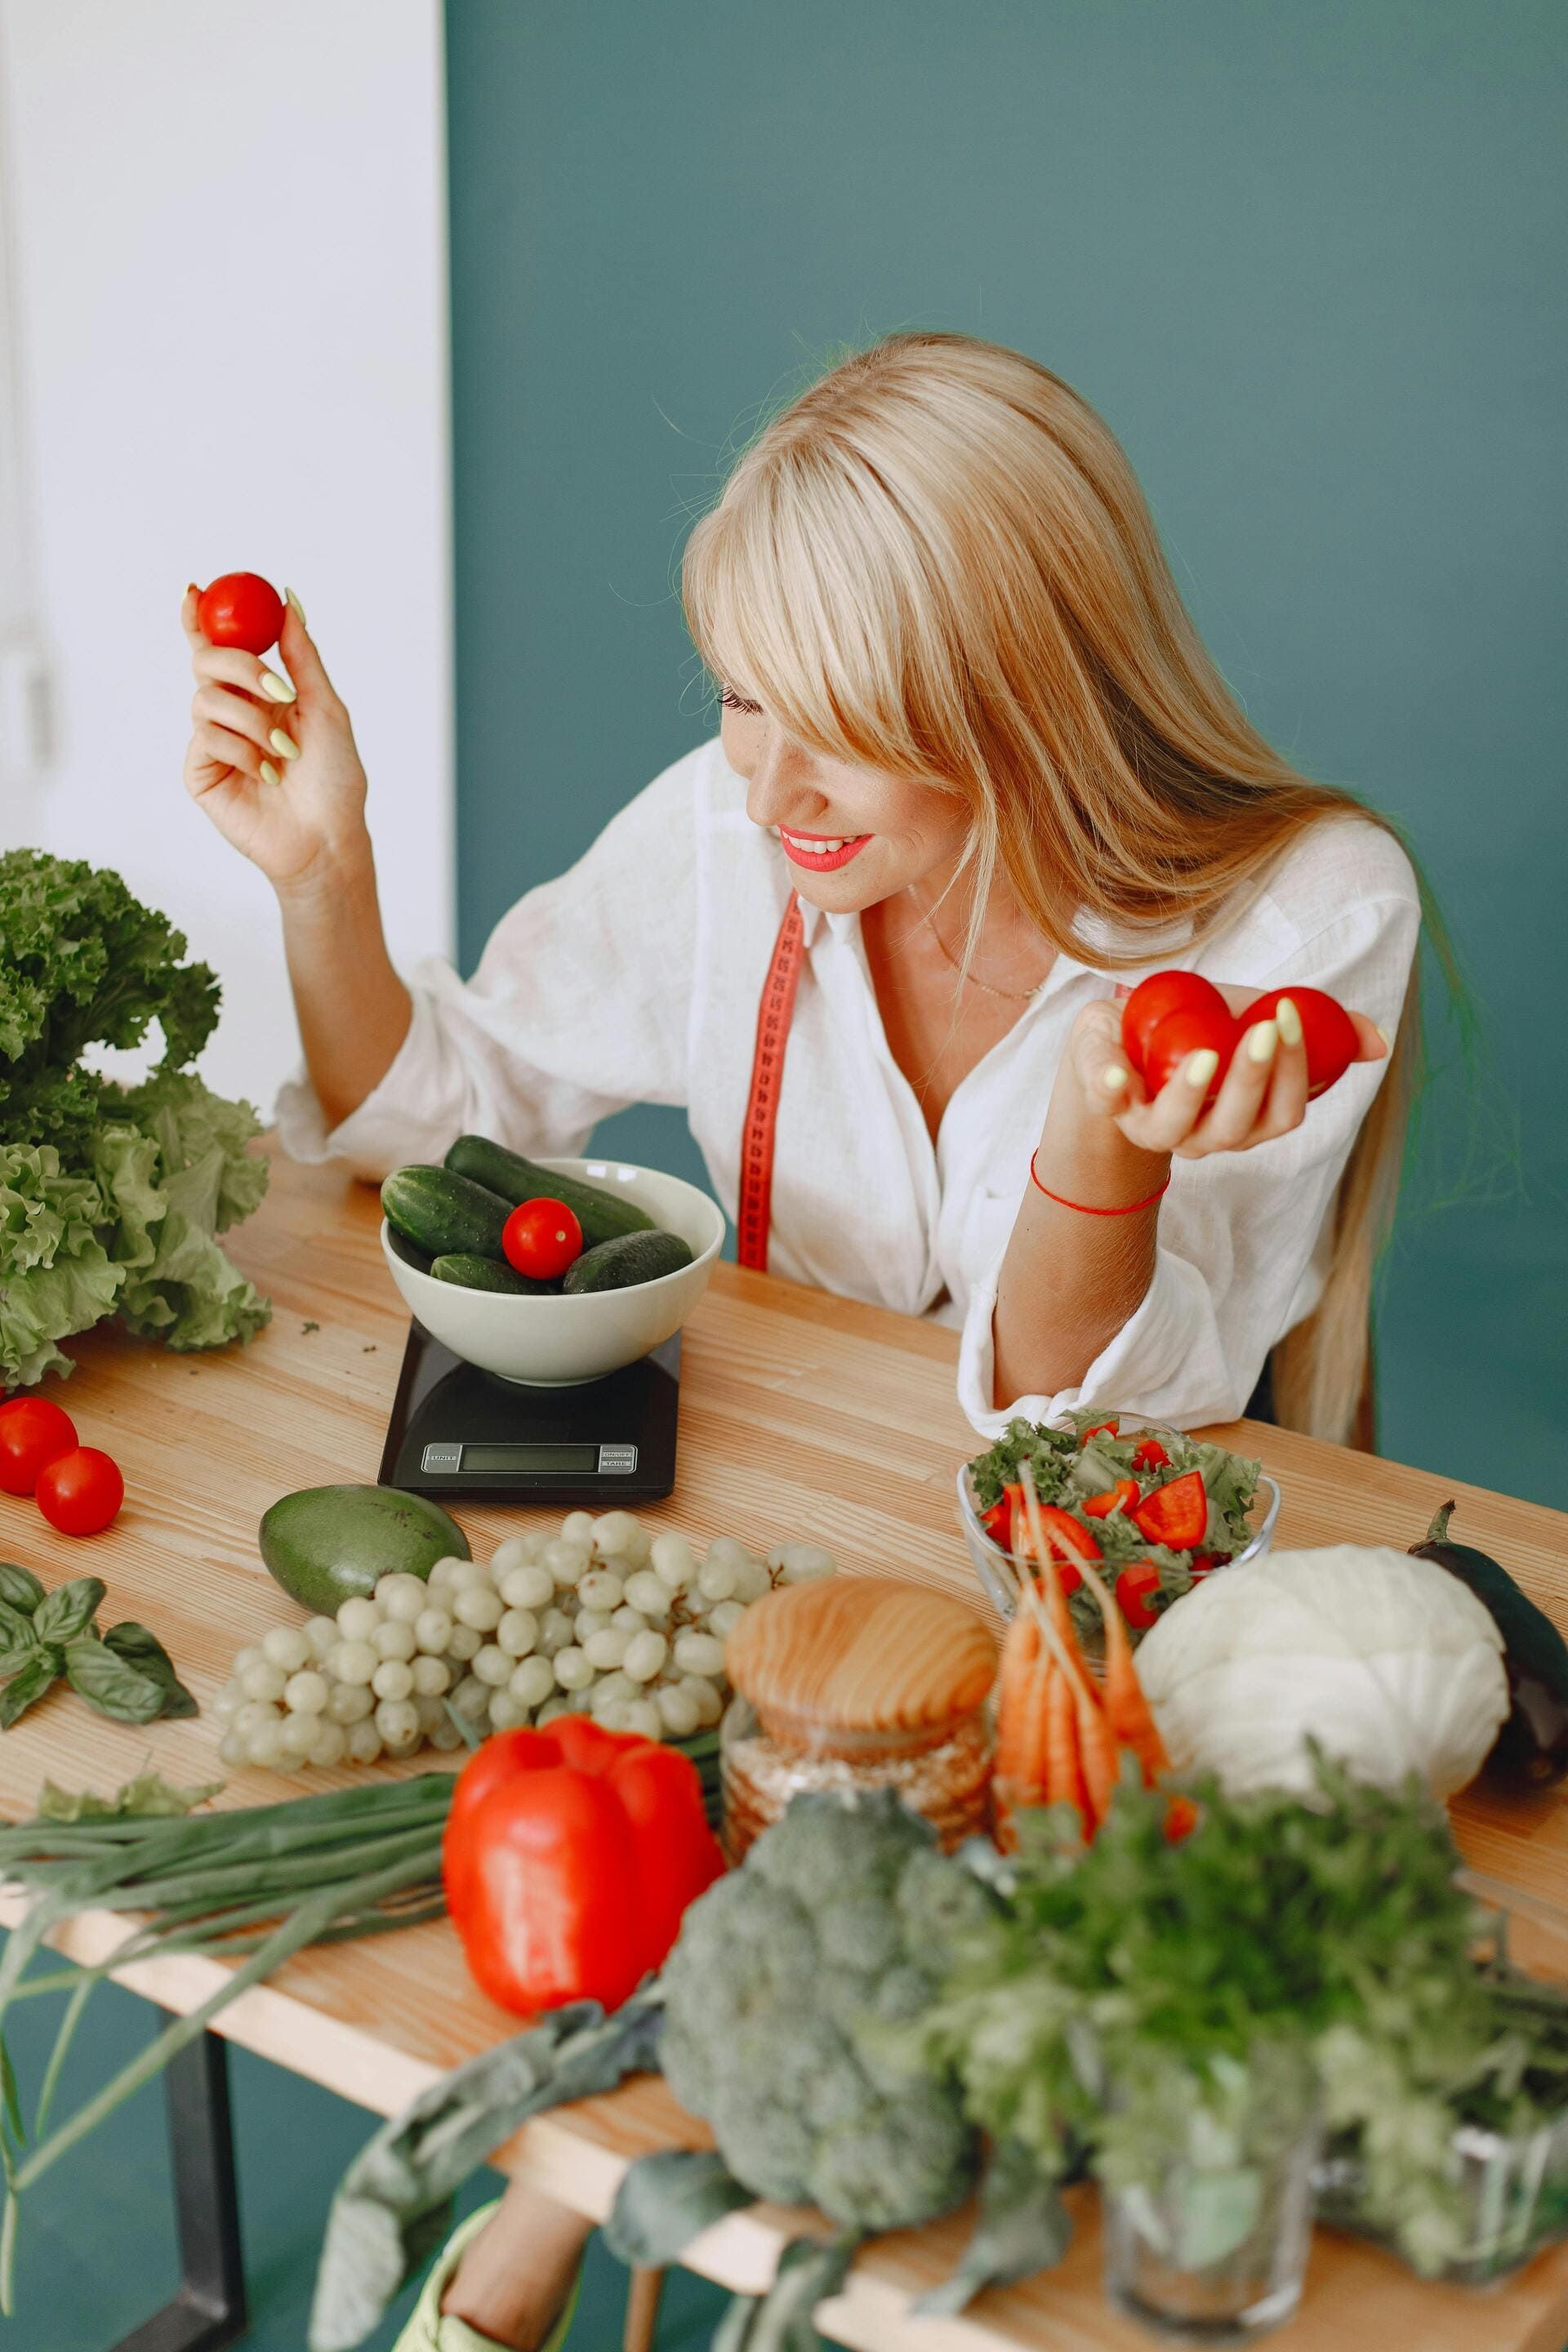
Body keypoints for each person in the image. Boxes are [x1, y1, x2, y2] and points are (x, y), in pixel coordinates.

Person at [183, 332, 1419, 2350]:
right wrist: (329, 879)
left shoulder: (1299, 911)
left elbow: (1094, 1427)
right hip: (781, 1563)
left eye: (838, 719)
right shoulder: (734, 826)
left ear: (1017, 687)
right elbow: (443, 1125)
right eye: (744, 697)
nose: (767, 783)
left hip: (1090, 1621)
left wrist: (1105, 1140)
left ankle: (516, 2257)